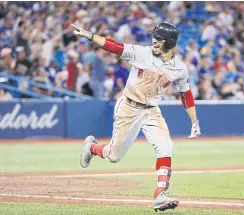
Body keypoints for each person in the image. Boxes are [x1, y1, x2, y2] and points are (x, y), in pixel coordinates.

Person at [72, 22, 201, 212]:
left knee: (166, 146)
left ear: (169, 42)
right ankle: (92, 148)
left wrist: (194, 120)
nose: (154, 40)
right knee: (114, 156)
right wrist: (90, 36)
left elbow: (186, 94)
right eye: (154, 37)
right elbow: (114, 46)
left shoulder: (179, 68)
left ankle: (160, 194)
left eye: (158, 38)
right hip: (129, 107)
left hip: (151, 110)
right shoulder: (142, 53)